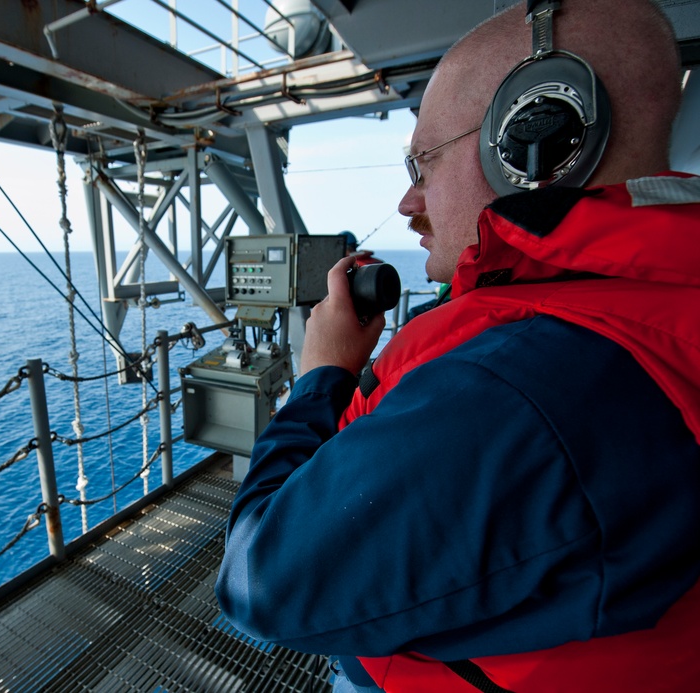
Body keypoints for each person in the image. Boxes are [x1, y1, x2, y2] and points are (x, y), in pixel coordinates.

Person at [215, 1, 700, 691]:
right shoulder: (651, 307)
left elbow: (257, 584)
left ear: (539, 139)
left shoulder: (517, 390)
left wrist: (321, 377)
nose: (410, 202)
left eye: (423, 164)